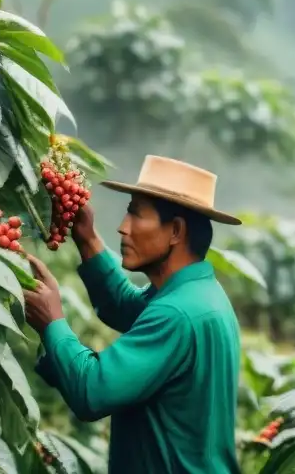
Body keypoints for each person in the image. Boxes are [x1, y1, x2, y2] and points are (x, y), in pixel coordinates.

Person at [23, 155, 243, 474]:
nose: (123, 227)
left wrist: (52, 323)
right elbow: (126, 307)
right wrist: (85, 236)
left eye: (136, 215)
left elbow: (92, 392)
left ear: (176, 231)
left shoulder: (177, 312)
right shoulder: (198, 294)